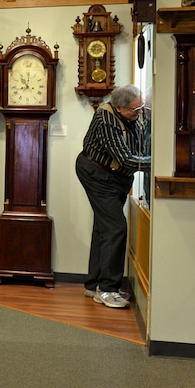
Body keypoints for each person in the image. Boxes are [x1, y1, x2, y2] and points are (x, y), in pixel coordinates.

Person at [76, 84, 150, 309]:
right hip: (97, 174)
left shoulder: (132, 114)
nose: (139, 113)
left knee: (104, 227)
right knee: (115, 227)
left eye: (141, 107)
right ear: (119, 108)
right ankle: (107, 289)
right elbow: (125, 159)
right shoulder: (105, 119)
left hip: (114, 177)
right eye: (135, 110)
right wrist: (158, 162)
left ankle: (94, 285)